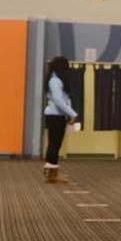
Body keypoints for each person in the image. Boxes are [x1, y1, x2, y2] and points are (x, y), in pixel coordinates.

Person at [43, 56, 77, 184]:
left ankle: (51, 172)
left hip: (57, 115)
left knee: (54, 144)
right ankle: (52, 174)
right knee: (54, 145)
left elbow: (64, 100)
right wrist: (72, 114)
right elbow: (58, 100)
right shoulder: (55, 80)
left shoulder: (55, 79)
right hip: (55, 116)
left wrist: (69, 113)